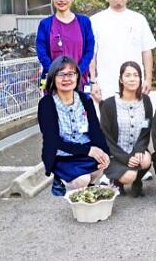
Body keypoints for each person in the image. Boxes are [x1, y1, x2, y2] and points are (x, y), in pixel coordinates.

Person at [37, 56, 109, 196]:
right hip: (62, 155)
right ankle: (60, 179)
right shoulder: (47, 104)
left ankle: (87, 196)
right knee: (82, 179)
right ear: (53, 78)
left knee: (101, 166)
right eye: (61, 74)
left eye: (71, 74)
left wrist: (104, 152)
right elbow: (54, 141)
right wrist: (89, 151)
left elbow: (95, 130)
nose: (66, 79)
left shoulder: (84, 99)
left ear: (77, 77)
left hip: (86, 149)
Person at [90, 0, 156, 102]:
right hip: (106, 86)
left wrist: (148, 79)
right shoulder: (95, 20)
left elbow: (146, 51)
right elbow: (92, 54)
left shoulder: (139, 19)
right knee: (107, 121)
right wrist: (93, 82)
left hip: (134, 84)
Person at [99, 61, 153, 197]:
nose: (132, 79)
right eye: (128, 75)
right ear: (121, 79)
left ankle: (137, 182)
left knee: (146, 159)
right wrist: (125, 158)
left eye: (136, 75)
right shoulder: (109, 104)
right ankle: (117, 181)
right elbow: (106, 138)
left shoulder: (146, 101)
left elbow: (145, 130)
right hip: (116, 154)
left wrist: (139, 150)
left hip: (136, 151)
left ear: (140, 79)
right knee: (128, 175)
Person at [36, 0, 95, 91]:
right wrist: (57, 74)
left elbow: (89, 51)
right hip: (54, 82)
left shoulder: (84, 22)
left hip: (79, 82)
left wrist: (76, 73)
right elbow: (42, 54)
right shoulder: (45, 24)